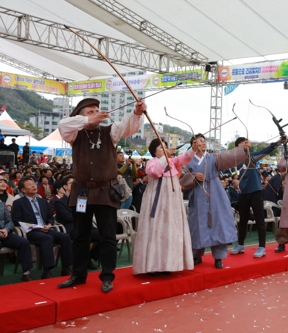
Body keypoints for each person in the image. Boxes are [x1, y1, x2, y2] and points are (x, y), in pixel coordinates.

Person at [57, 97, 146, 293]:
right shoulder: (74, 134)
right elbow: (62, 124)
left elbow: (127, 126)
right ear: (80, 116)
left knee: (107, 236)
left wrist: (137, 113)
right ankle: (78, 274)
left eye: (97, 110)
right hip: (81, 191)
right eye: (90, 111)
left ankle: (107, 276)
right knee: (80, 236)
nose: (96, 113)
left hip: (105, 191)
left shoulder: (109, 132)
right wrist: (88, 120)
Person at [179, 134, 249, 269]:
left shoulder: (213, 158)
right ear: (193, 144)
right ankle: (196, 255)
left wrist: (242, 149)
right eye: (200, 141)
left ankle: (218, 257)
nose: (203, 143)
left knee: (218, 224)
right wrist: (193, 176)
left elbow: (228, 157)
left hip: (216, 194)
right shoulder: (187, 160)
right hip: (198, 195)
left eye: (204, 141)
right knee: (196, 226)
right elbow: (181, 177)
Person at [133, 138, 199, 275]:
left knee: (170, 229)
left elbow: (184, 158)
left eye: (165, 147)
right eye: (160, 148)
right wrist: (165, 156)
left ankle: (169, 264)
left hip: (171, 201)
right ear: (154, 151)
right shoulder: (152, 162)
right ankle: (153, 265)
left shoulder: (172, 162)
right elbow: (155, 172)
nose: (164, 149)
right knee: (156, 229)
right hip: (156, 201)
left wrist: (193, 148)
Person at [230, 137, 283, 258]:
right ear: (238, 146)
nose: (246, 144)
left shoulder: (252, 156)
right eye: (243, 143)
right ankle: (240, 244)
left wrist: (278, 142)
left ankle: (261, 247)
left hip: (256, 191)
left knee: (259, 219)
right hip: (243, 192)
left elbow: (265, 151)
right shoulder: (235, 160)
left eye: (247, 142)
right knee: (242, 220)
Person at [11, 177, 73, 279]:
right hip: (31, 231)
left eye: (34, 184)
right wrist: (36, 227)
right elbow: (16, 220)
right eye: (29, 184)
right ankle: (47, 271)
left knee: (65, 237)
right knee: (47, 239)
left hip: (46, 229)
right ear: (23, 190)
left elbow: (50, 216)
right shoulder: (19, 202)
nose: (33, 186)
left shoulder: (42, 201)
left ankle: (66, 267)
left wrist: (49, 224)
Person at [0, 179, 33, 282]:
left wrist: (6, 229)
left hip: (5, 233)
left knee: (23, 242)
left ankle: (26, 273)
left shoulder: (1, 204)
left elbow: (9, 220)